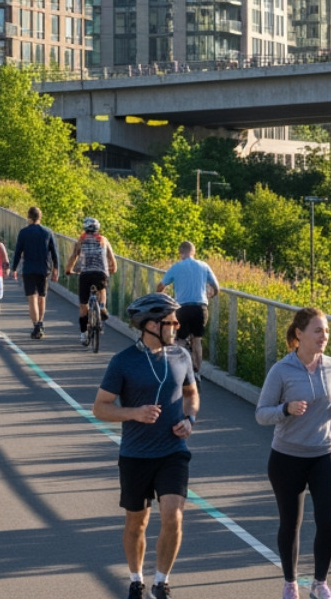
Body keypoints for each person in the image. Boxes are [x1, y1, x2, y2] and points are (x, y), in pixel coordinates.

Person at [92, 293, 199, 599]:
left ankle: (161, 582)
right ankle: (137, 579)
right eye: (171, 322)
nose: (177, 327)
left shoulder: (181, 356)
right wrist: (134, 413)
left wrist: (190, 419)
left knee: (173, 515)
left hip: (173, 451)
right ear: (152, 325)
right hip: (136, 454)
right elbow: (100, 407)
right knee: (136, 522)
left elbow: (192, 394)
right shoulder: (123, 362)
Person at [256, 307, 331, 599]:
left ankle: (320, 583)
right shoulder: (281, 370)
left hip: (326, 454)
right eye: (318, 331)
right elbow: (261, 414)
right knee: (291, 522)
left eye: (326, 331)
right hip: (288, 457)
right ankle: (290, 583)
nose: (324, 337)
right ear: (299, 334)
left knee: (328, 522)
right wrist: (286, 409)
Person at [157, 242, 221, 374]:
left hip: (182, 308)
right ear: (194, 252)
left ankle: (179, 368)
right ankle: (197, 370)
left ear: (180, 253)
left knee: (180, 338)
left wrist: (160, 297)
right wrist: (210, 295)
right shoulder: (204, 265)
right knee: (197, 339)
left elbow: (161, 285)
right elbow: (216, 287)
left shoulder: (176, 267)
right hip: (200, 307)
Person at [10, 205, 60, 339]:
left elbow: (18, 251)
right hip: (44, 269)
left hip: (28, 269)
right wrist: (56, 268)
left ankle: (36, 325)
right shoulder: (48, 232)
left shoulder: (23, 232)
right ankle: (41, 322)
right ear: (40, 217)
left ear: (29, 217)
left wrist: (14, 268)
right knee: (42, 297)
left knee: (32, 299)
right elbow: (55, 253)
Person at [67, 216, 118, 345]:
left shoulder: (81, 241)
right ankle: (102, 306)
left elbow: (74, 256)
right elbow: (112, 258)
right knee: (102, 288)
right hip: (101, 273)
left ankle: (84, 335)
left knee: (83, 306)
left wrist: (68, 269)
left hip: (85, 274)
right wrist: (113, 269)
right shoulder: (104, 240)